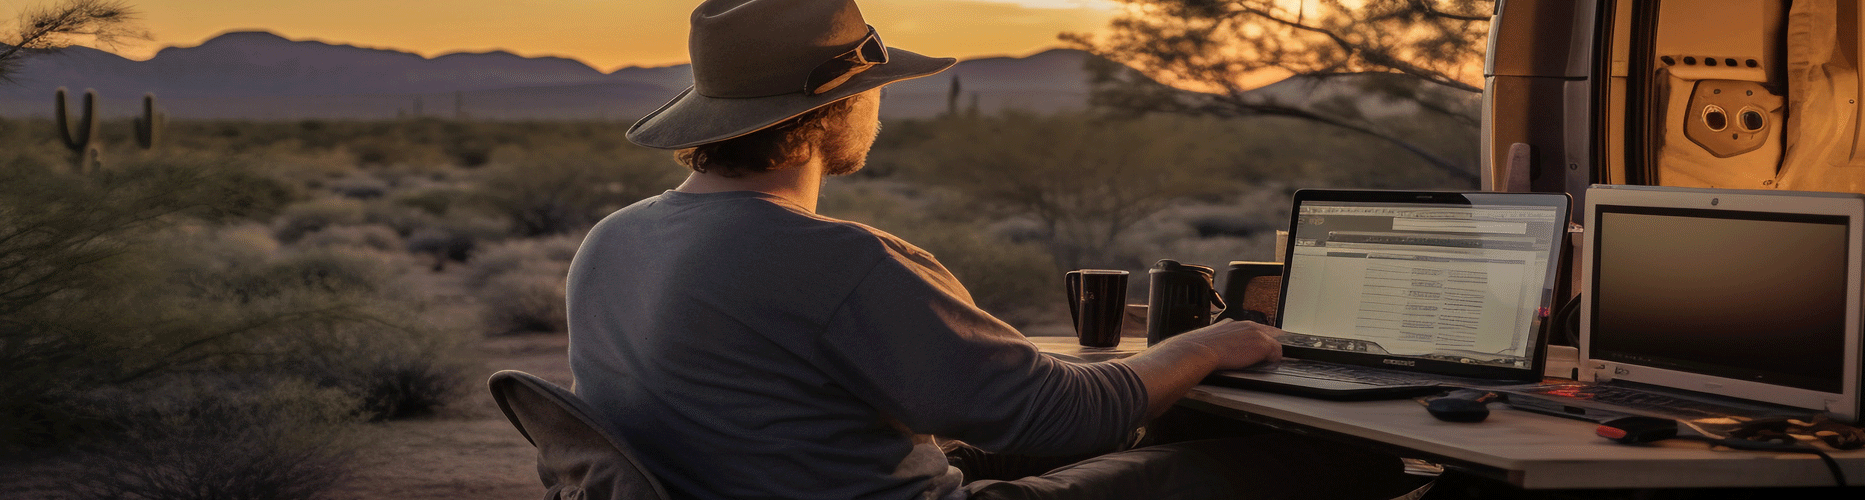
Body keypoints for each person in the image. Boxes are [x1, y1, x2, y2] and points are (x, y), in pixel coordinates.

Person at [569, 1, 1415, 498]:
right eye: (873, 89)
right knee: (1311, 462)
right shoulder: (837, 259)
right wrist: (1214, 344)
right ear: (834, 113)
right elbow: (1061, 414)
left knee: (1179, 421)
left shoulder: (612, 240)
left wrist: (1167, 376)